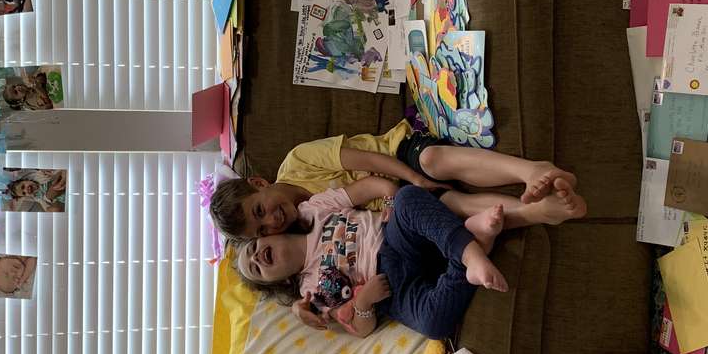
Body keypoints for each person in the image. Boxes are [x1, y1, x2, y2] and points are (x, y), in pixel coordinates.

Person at [210, 120, 586, 242]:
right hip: (396, 208)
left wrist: (412, 178)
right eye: (261, 230)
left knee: (434, 160)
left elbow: (368, 159)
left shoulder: (298, 160)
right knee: (449, 207)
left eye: (260, 210)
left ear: (260, 183)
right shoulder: (304, 231)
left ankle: (530, 171)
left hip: (397, 156)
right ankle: (539, 210)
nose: (272, 221)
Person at [235, 179, 506, 341]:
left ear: (271, 234)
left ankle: (470, 252)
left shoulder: (312, 211)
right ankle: (467, 253)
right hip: (390, 288)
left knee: (407, 198)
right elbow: (361, 330)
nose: (257, 258)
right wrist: (364, 302)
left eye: (253, 249)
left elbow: (368, 187)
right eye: (256, 269)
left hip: (393, 237)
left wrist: (389, 198)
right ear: (278, 280)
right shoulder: (311, 293)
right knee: (432, 325)